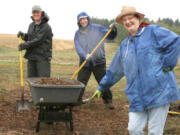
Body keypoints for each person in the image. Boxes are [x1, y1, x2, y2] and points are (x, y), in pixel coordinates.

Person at [93, 6, 180, 135]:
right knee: (133, 129)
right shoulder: (125, 45)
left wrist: (169, 63)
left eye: (130, 18)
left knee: (154, 132)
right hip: (136, 95)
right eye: (125, 20)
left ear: (138, 18)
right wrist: (102, 87)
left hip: (159, 91)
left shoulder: (152, 32)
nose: (128, 22)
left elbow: (175, 41)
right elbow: (114, 71)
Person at [74, 12, 117, 109]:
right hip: (85, 63)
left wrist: (113, 30)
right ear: (79, 22)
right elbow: (78, 47)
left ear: (88, 19)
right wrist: (85, 55)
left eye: (85, 19)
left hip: (98, 61)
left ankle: (108, 101)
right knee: (81, 82)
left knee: (103, 81)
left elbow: (110, 36)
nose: (83, 21)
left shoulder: (98, 28)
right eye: (81, 20)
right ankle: (76, 102)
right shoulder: (77, 34)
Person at [17, 5, 53, 77]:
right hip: (32, 57)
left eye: (37, 12)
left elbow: (38, 40)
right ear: (32, 14)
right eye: (34, 12)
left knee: (43, 81)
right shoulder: (31, 25)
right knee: (31, 79)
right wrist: (23, 35)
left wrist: (24, 45)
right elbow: (31, 37)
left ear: (41, 13)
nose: (36, 14)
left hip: (42, 58)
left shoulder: (46, 27)